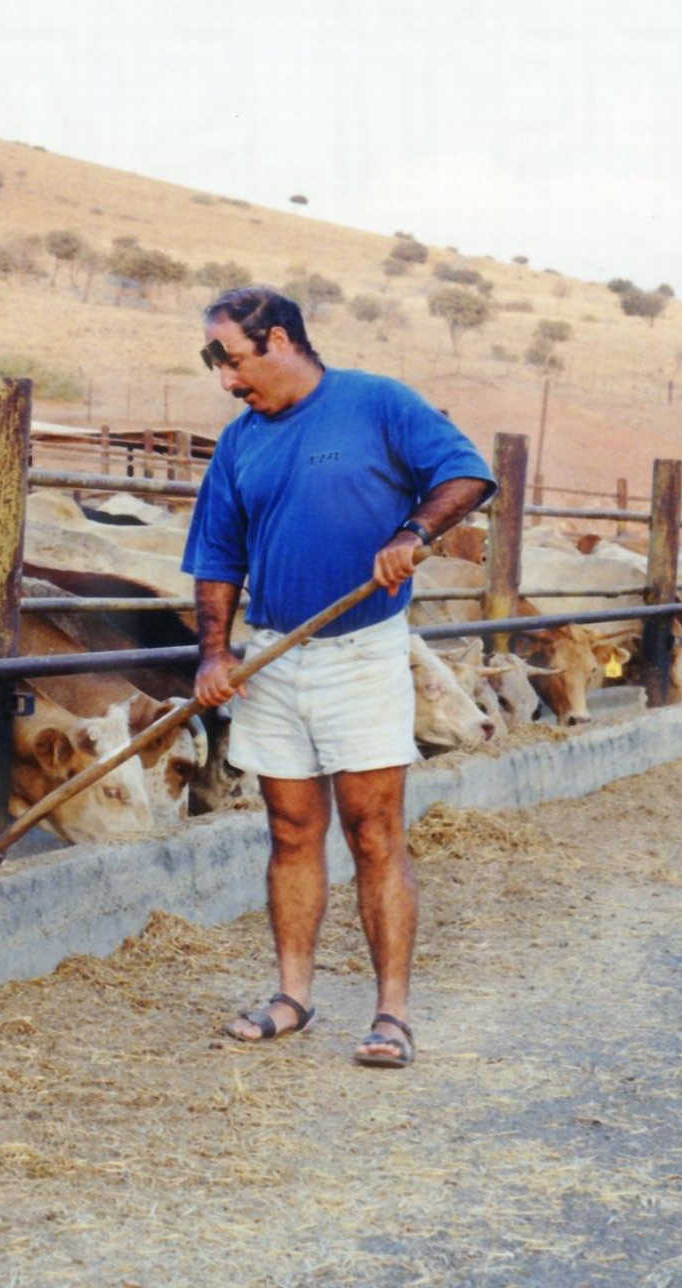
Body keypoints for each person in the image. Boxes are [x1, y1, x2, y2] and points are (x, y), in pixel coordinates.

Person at [181, 286, 494, 1068]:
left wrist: (413, 531)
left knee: (373, 832)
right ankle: (293, 997)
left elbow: (466, 474)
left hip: (361, 651)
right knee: (290, 831)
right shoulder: (239, 443)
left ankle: (392, 1015)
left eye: (235, 361)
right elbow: (217, 557)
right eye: (216, 365)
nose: (228, 381)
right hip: (274, 655)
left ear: (280, 340)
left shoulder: (375, 403)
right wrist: (215, 655)